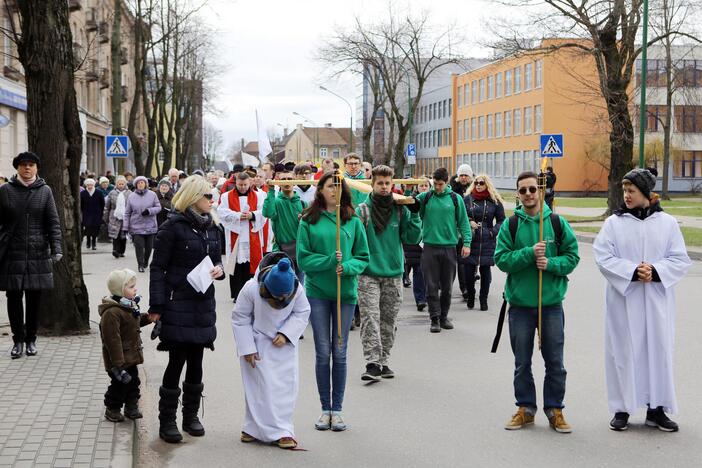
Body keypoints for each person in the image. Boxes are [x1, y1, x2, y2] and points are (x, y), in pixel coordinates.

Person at [593, 169, 691, 432]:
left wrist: (656, 271)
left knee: (657, 353)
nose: (626, 195)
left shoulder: (667, 223)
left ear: (646, 194)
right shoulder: (614, 224)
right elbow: (603, 256)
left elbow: (680, 259)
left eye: (631, 191)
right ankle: (622, 409)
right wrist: (633, 271)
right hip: (624, 302)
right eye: (624, 191)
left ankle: (656, 409)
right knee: (622, 353)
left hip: (657, 302)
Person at [494, 171, 580, 434]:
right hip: (520, 305)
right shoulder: (510, 225)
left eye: (532, 189)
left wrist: (550, 264)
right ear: (517, 195)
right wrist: (530, 254)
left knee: (555, 361)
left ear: (540, 191)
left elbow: (572, 257)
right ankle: (525, 409)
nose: (529, 194)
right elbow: (501, 259)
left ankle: (555, 409)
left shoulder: (555, 222)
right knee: (522, 362)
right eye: (523, 191)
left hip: (551, 304)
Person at [149, 175, 225, 443]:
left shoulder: (213, 226)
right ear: (194, 197)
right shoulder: (172, 226)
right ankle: (167, 420)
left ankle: (190, 416)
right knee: (176, 360)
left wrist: (219, 270)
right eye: (208, 196)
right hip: (177, 301)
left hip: (203, 302)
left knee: (197, 360)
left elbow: (218, 261)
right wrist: (156, 305)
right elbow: (157, 267)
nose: (212, 200)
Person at [297, 172, 369, 432]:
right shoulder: (308, 220)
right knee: (322, 352)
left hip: (345, 294)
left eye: (338, 186)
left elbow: (363, 256)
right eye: (330, 186)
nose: (334, 191)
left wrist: (347, 266)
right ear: (320, 189)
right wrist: (329, 260)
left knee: (339, 353)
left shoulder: (352, 221)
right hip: (317, 292)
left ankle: (337, 410)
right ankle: (324, 409)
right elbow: (303, 259)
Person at [232, 253, 310, 449]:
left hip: (283, 346)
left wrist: (286, 333)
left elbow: (302, 312)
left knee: (283, 390)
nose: (281, 299)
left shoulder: (297, 288)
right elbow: (240, 317)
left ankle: (283, 430)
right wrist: (247, 347)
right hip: (256, 345)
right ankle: (252, 428)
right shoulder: (251, 288)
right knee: (256, 389)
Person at [356, 165, 421, 381]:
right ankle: (372, 363)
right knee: (370, 318)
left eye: (387, 183)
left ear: (392, 184)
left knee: (389, 319)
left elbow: (411, 238)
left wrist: (415, 214)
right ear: (372, 184)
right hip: (368, 273)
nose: (384, 187)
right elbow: (356, 241)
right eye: (380, 183)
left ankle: (384, 360)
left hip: (393, 272)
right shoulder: (363, 210)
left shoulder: (399, 208)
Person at [0, 152, 62, 358]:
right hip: (12, 253)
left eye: (31, 165)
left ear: (37, 168)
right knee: (14, 298)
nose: (27, 168)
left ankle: (31, 340)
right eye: (23, 165)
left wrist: (57, 248)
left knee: (34, 299)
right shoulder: (6, 191)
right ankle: (17, 340)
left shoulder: (45, 191)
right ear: (17, 168)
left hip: (38, 252)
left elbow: (53, 222)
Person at [415, 167, 471, 333]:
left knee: (447, 287)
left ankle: (444, 316)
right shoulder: (426, 197)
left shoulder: (455, 199)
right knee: (431, 286)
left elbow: (463, 222)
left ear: (446, 182)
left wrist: (467, 243)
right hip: (430, 247)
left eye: (440, 184)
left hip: (449, 247)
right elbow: (410, 207)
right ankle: (434, 318)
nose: (437, 187)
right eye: (434, 184)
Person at [99, 268, 153, 422]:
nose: (135, 289)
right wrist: (118, 363)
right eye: (131, 286)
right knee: (119, 385)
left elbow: (132, 324)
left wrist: (147, 319)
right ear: (119, 290)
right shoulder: (112, 313)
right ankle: (112, 408)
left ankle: (131, 406)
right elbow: (112, 340)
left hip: (131, 356)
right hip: (119, 360)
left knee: (134, 382)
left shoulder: (127, 306)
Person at [217, 171, 267, 301]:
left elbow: (264, 212)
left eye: (245, 184)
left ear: (250, 183)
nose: (243, 187)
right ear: (236, 183)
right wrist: (237, 215)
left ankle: (251, 294)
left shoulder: (259, 196)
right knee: (237, 266)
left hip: (252, 234)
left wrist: (253, 215)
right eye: (240, 185)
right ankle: (237, 294)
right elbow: (222, 213)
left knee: (251, 265)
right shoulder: (226, 196)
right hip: (236, 235)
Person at [464, 174, 506, 311]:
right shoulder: (467, 199)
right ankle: (471, 295)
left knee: (485, 270)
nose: (478, 185)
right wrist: (469, 221)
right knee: (468, 271)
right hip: (471, 238)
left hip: (487, 238)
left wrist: (493, 231)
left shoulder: (494, 201)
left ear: (486, 184)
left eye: (481, 183)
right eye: (476, 183)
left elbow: (501, 220)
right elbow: (461, 216)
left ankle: (483, 299)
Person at [262, 170, 307, 279]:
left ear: (295, 181)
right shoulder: (276, 202)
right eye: (283, 180)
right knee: (285, 288)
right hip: (282, 253)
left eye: (289, 179)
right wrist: (271, 190)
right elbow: (267, 213)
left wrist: (306, 221)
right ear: (278, 182)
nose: (286, 182)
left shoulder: (303, 203)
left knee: (299, 288)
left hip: (301, 252)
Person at [403, 177, 431, 311]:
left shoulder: (432, 200)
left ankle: (423, 297)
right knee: (414, 268)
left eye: (426, 186)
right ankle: (420, 297)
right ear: (417, 188)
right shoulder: (413, 200)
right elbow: (405, 208)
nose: (424, 188)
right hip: (414, 241)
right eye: (421, 186)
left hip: (427, 240)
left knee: (422, 271)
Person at [122, 176, 161, 272]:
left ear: (145, 184)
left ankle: (146, 261)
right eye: (138, 183)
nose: (140, 184)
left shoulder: (152, 195)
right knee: (139, 247)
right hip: (136, 226)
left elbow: (158, 207)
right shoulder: (131, 196)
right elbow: (127, 213)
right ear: (136, 185)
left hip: (150, 226)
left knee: (148, 248)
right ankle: (140, 264)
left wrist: (149, 211)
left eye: (142, 183)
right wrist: (125, 227)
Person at [451, 164, 474, 300]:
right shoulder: (453, 191)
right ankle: (462, 287)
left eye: (466, 175)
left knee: (464, 260)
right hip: (456, 228)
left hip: (470, 229)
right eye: (461, 175)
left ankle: (465, 286)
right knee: (458, 260)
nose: (464, 178)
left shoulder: (475, 188)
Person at [103, 175, 131, 259]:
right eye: (119, 184)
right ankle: (115, 250)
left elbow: (132, 206)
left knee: (123, 235)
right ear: (116, 184)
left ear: (125, 184)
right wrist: (106, 217)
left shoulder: (129, 193)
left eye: (122, 184)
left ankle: (122, 251)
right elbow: (107, 207)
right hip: (114, 216)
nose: (121, 185)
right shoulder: (112, 193)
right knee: (115, 235)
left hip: (125, 216)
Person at [81, 178, 105, 251]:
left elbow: (102, 203)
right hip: (87, 213)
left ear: (93, 185)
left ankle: (94, 243)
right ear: (86, 185)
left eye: (91, 185)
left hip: (97, 213)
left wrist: (101, 212)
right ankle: (88, 241)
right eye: (88, 185)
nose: (90, 186)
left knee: (95, 228)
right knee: (88, 228)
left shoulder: (99, 192)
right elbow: (81, 204)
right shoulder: (83, 193)